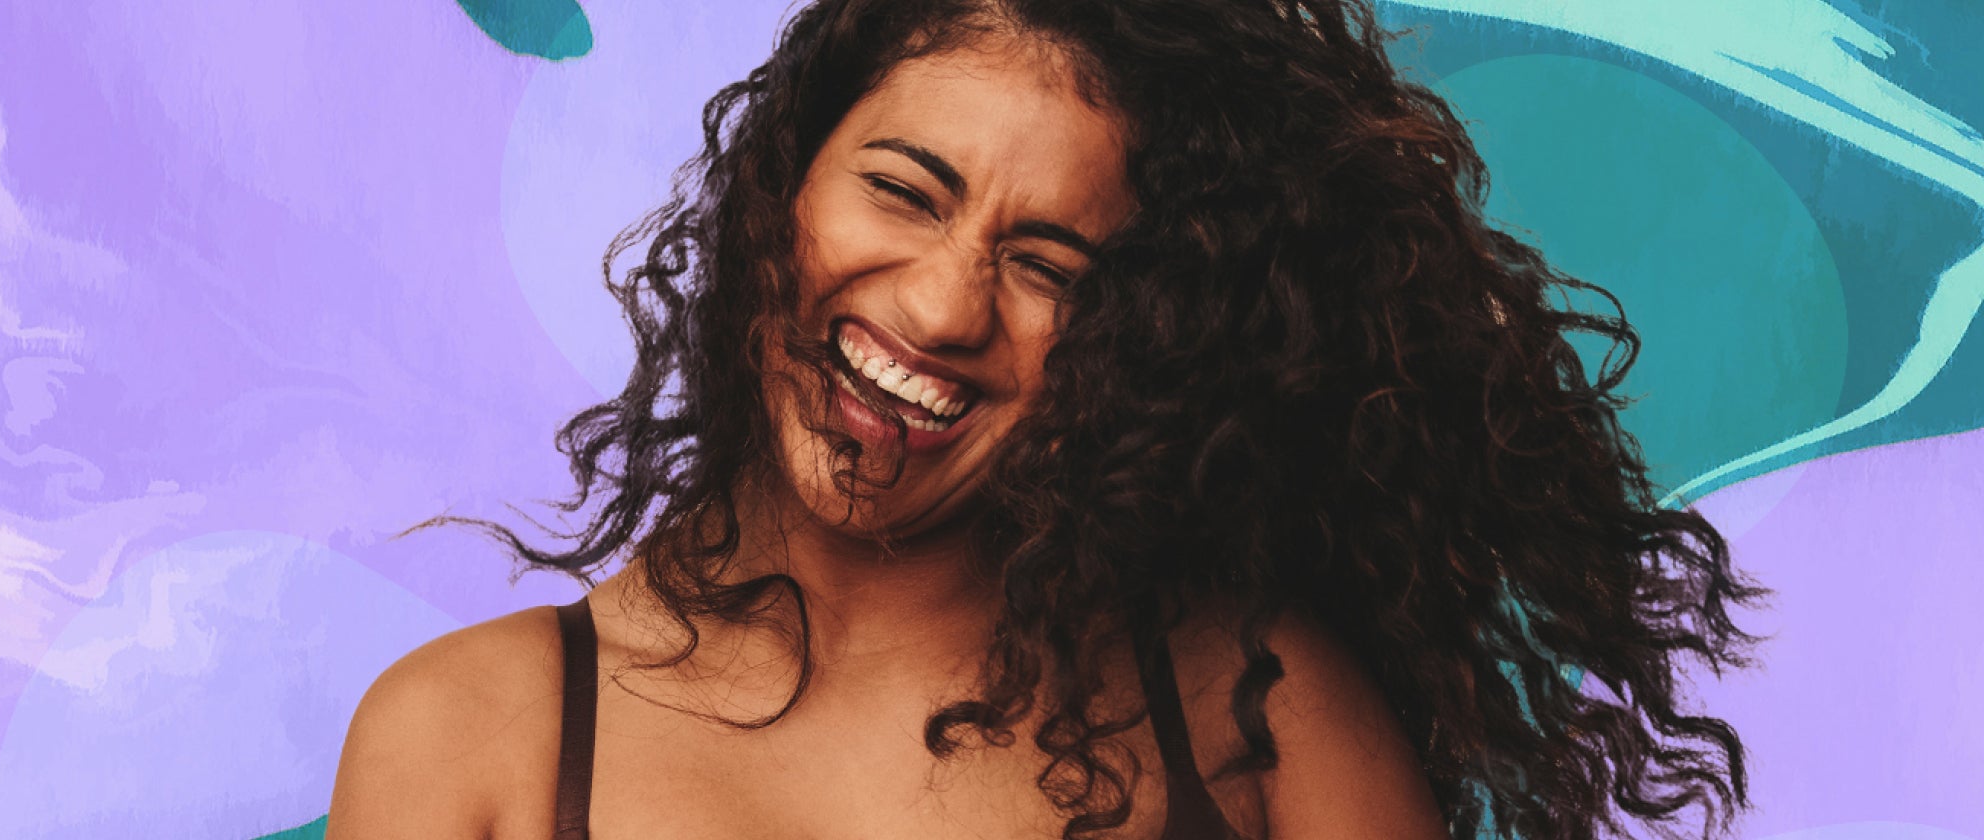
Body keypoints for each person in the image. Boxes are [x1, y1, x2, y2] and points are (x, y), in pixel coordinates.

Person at [328, 0, 1764, 838]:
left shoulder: (1246, 707)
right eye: (904, 189)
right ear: (778, 194)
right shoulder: (477, 744)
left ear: (1132, 340)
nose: (948, 307)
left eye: (1048, 266)